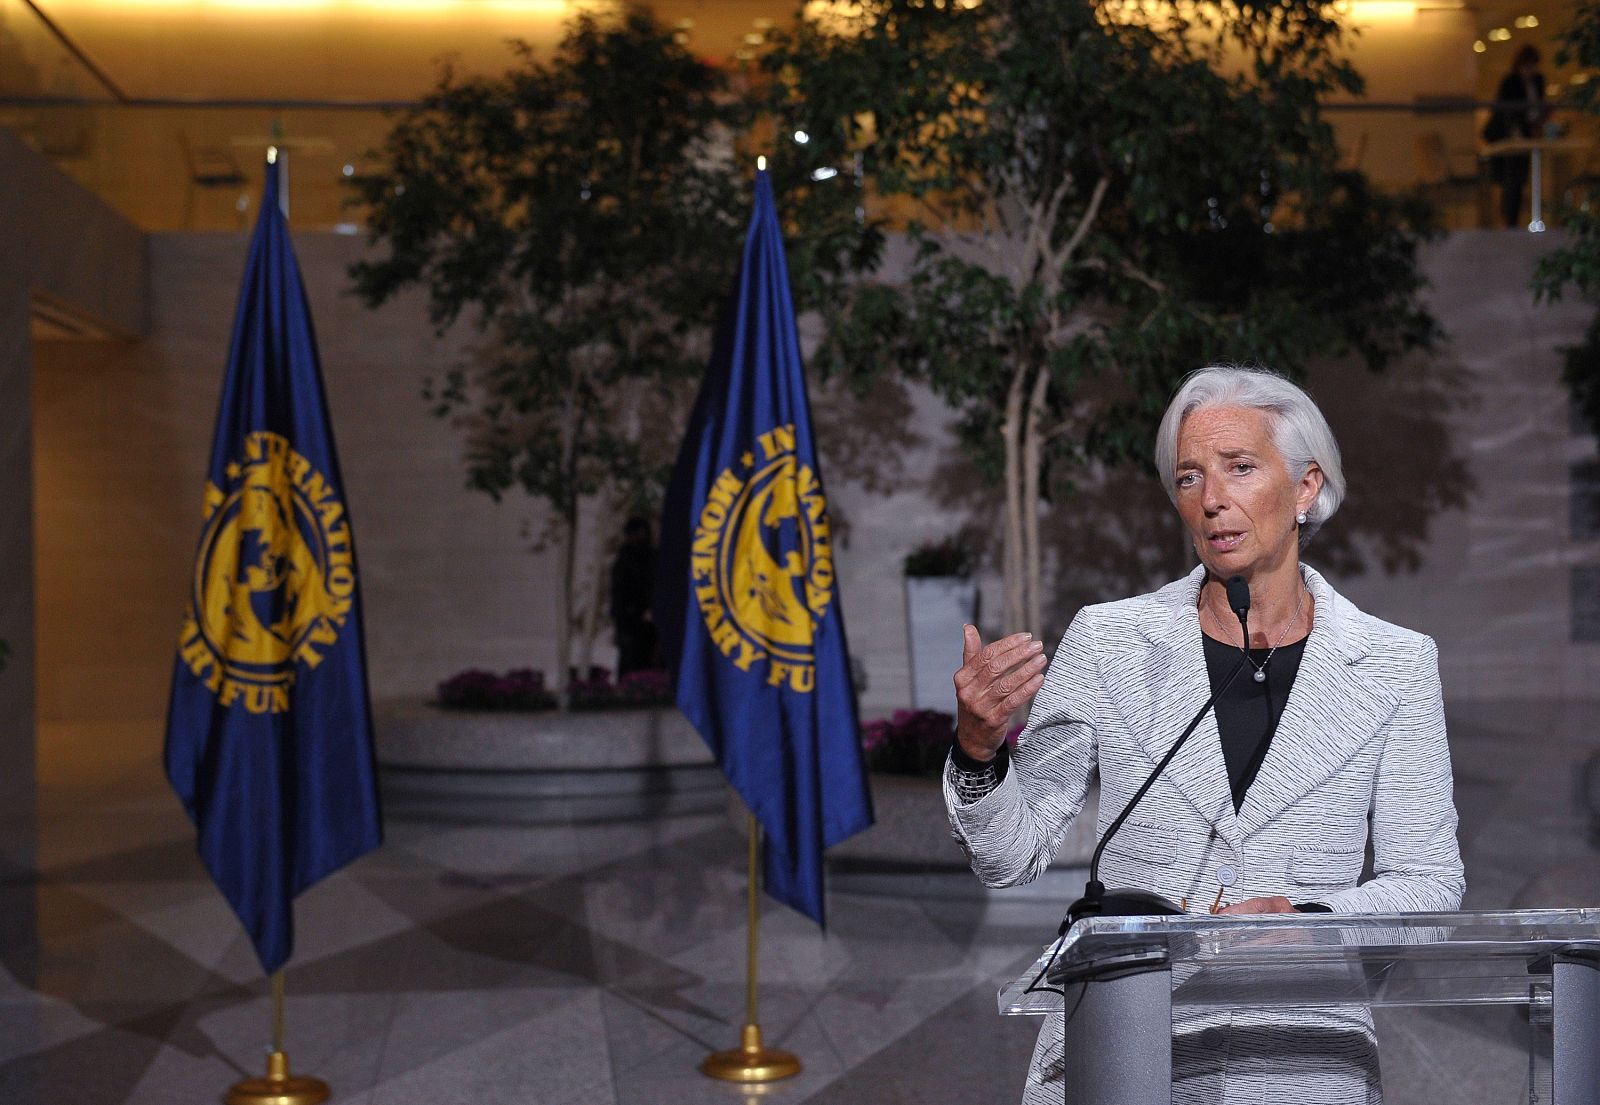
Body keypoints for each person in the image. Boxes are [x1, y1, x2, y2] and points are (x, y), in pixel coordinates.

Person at [943, 365, 1464, 1104]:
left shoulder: (1395, 664)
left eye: (1240, 468)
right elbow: (1010, 853)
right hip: (1123, 1051)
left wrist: (1314, 921)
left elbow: (1431, 885)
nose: (1211, 498)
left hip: (1303, 1065)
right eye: (1189, 477)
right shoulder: (1109, 642)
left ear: (1307, 488)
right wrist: (977, 751)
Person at [1484, 45, 1549, 229]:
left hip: (1528, 134)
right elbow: (1506, 111)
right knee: (1512, 178)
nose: (1531, 70)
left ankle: (1517, 219)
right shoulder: (1510, 82)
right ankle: (1510, 220)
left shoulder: (1538, 80)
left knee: (1520, 177)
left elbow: (1540, 106)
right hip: (1510, 137)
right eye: (1528, 65)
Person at [610, 516, 657, 676]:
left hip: (648, 624)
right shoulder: (626, 559)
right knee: (631, 662)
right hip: (631, 622)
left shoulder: (651, 557)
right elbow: (620, 594)